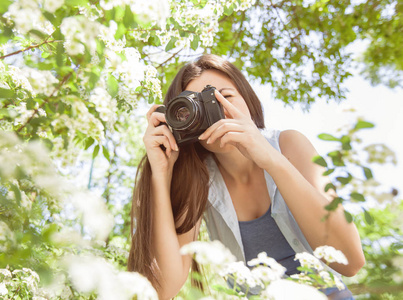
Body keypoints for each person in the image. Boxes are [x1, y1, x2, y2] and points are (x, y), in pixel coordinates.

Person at [128, 54, 365, 300]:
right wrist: (161, 174)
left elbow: (351, 261)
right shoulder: (197, 180)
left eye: (224, 97)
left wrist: (270, 159)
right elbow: (163, 290)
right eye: (199, 107)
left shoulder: (289, 144)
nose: (216, 112)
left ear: (248, 101)